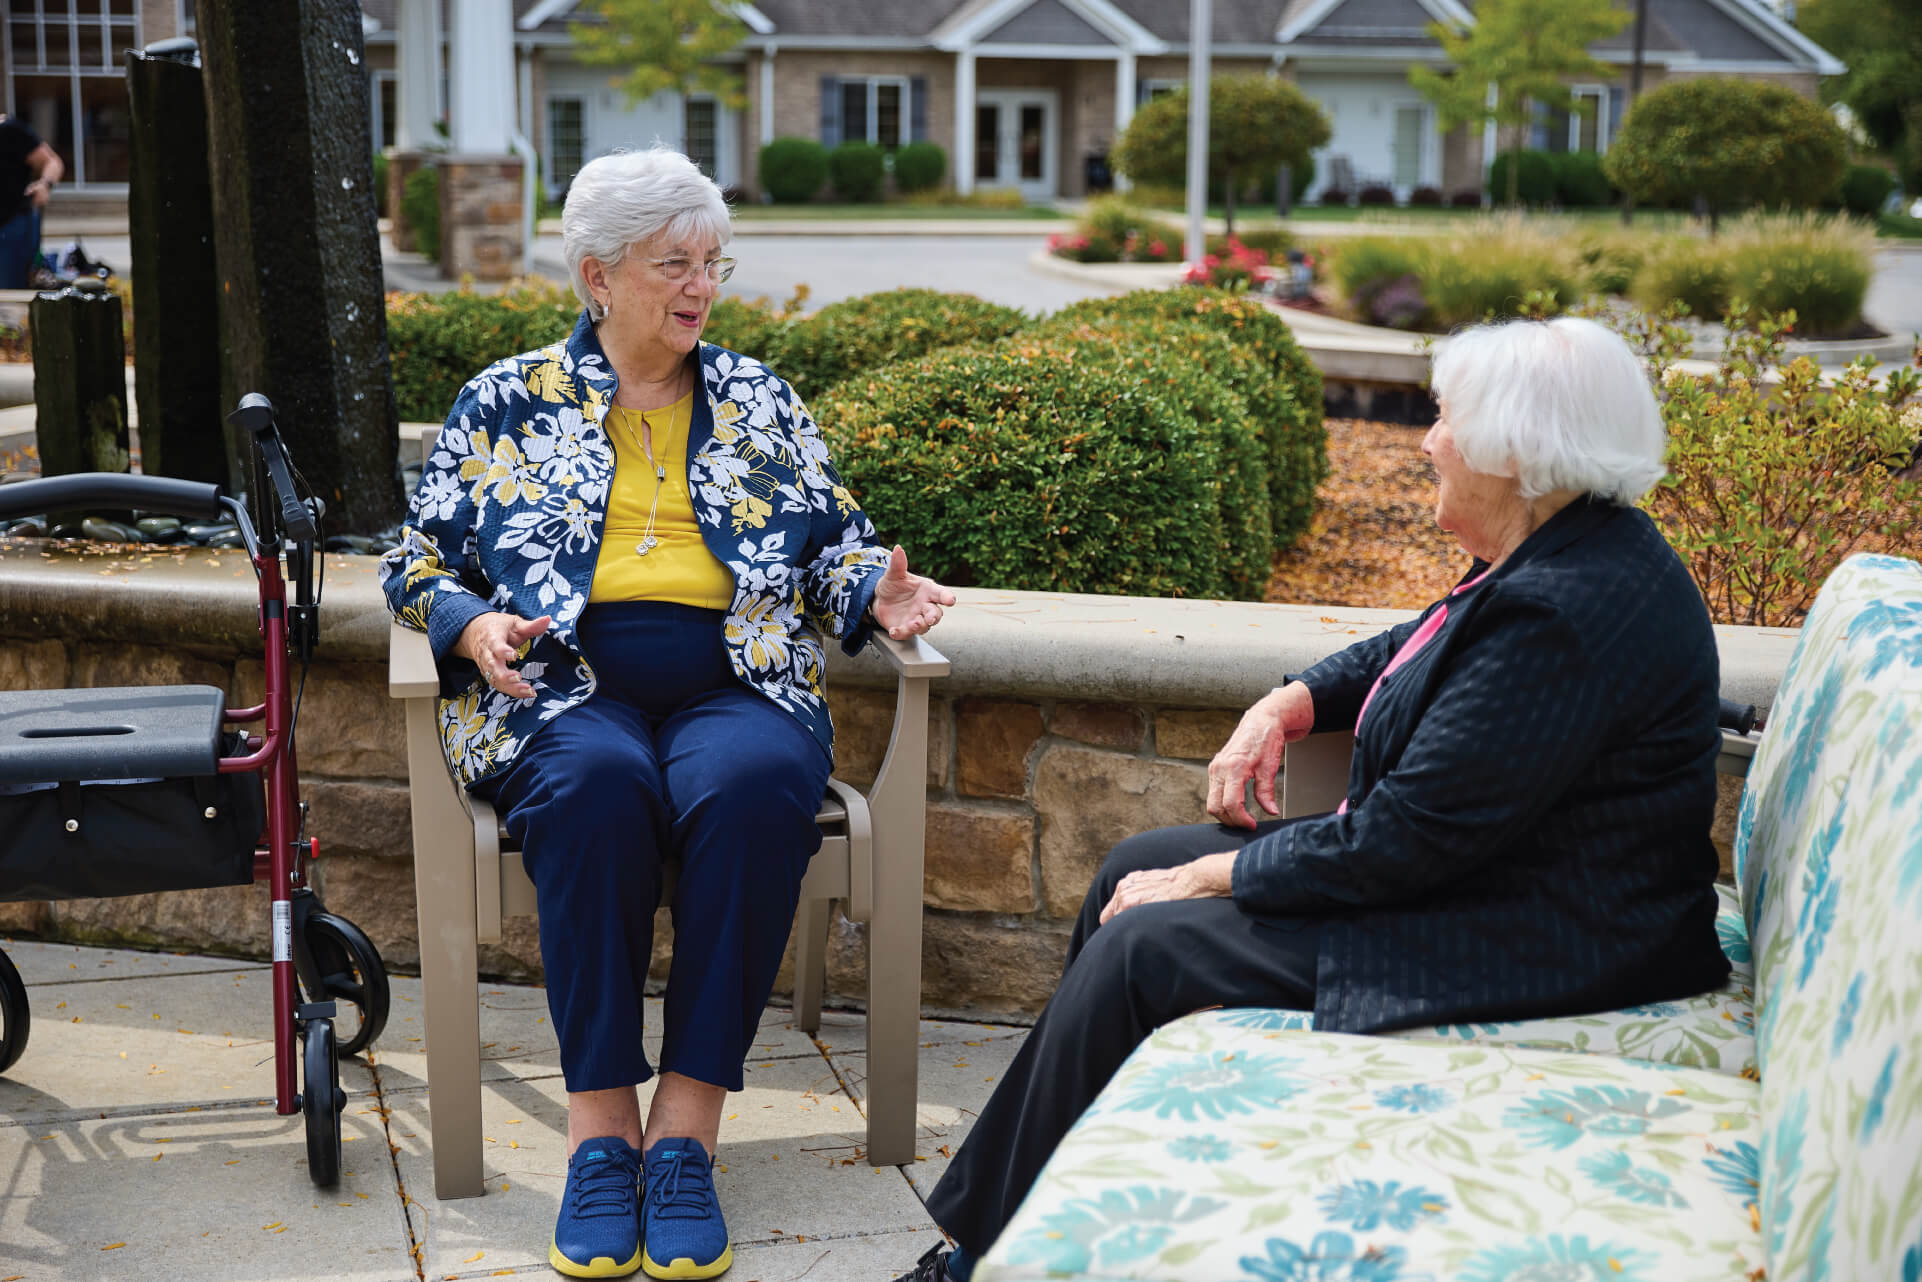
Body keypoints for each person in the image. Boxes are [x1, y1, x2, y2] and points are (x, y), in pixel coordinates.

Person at [895, 316, 1733, 1282]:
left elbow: (1402, 842)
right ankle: (1062, 1196)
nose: (1427, 441)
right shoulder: (1561, 549)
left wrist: (1214, 874)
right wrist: (1288, 700)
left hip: (1546, 929)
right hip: (1496, 878)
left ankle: (981, 1253)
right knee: (1134, 868)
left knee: (1144, 943)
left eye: (1446, 420)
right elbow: (1419, 644)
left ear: (1516, 453)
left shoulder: (1563, 612)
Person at [380, 146, 953, 1281]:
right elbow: (413, 554)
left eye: (711, 264)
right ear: (597, 274)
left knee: (750, 793)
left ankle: (685, 1134)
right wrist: (465, 623)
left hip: (735, 679)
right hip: (561, 681)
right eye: (671, 263)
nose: (698, 285)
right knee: (594, 791)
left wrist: (871, 592)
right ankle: (603, 1137)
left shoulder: (756, 396)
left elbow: (830, 541)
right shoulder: (505, 398)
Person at [0, 114, 61, 289]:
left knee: (10, 291)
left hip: (12, 225)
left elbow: (52, 162)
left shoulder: (9, 130)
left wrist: (45, 185)